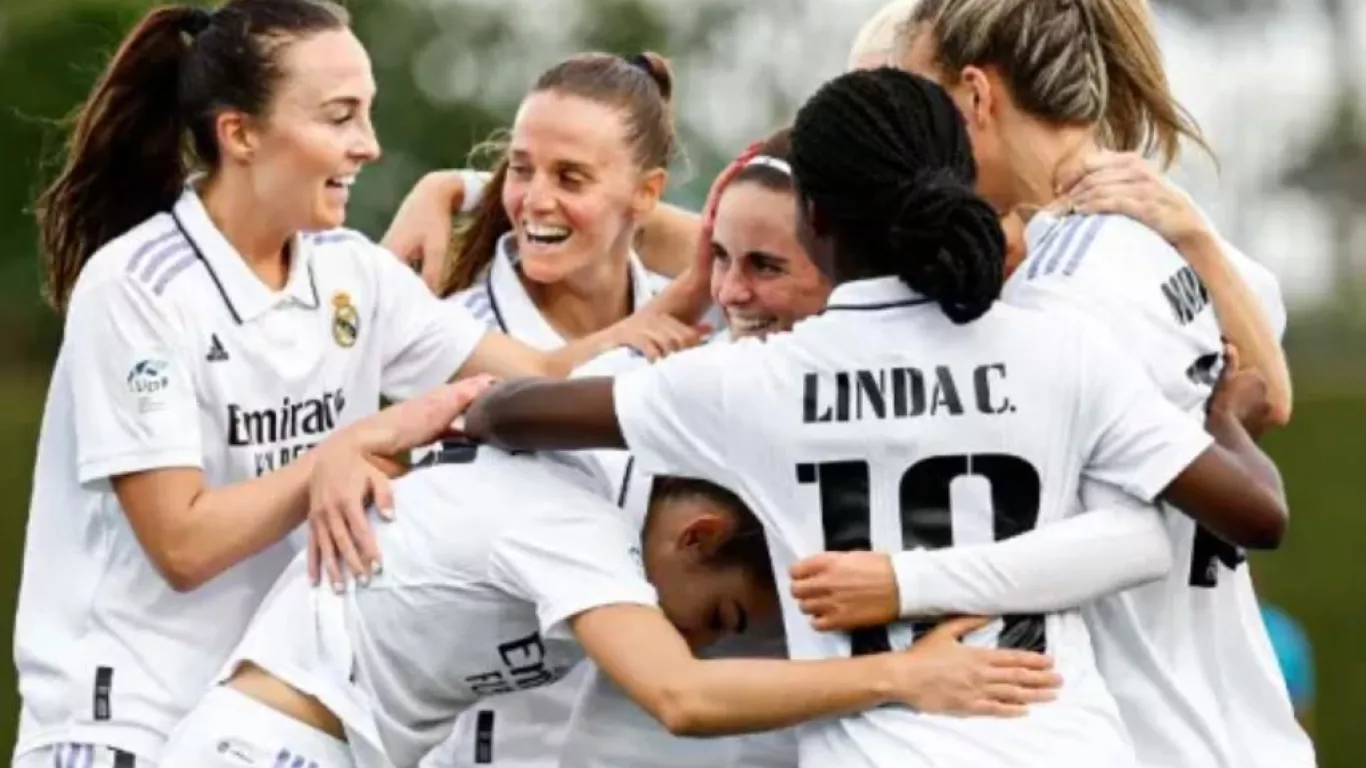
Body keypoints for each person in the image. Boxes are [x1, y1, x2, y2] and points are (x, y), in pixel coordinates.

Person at [457, 68, 1287, 768]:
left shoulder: (750, 382)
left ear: (812, 216)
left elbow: (511, 411)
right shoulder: (1060, 345)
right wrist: (1226, 415)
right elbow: (1256, 514)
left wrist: (539, 359)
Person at [12, 3, 690, 765]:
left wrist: (463, 189)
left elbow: (539, 370)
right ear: (240, 134)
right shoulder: (138, 286)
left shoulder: (349, 270)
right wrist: (346, 450)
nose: (368, 144)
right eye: (340, 117)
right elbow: (183, 544)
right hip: (122, 727)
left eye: (367, 113)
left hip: (258, 727)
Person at [879, 3, 1313, 766]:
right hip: (1249, 734)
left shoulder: (1050, 306)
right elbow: (1267, 394)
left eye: (921, 101)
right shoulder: (1155, 230)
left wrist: (893, 584)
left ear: (976, 95)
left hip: (1147, 740)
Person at [159, 432, 1061, 768]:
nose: (701, 642)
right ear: (699, 536)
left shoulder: (597, 505)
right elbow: (683, 696)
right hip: (267, 749)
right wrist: (904, 678)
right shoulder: (572, 524)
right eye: (720, 617)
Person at [422, 51, 697, 768]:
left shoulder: (699, 337)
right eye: (520, 170)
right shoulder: (446, 334)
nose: (534, 200)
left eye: (570, 177)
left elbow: (769, 234)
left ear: (647, 193)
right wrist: (447, 188)